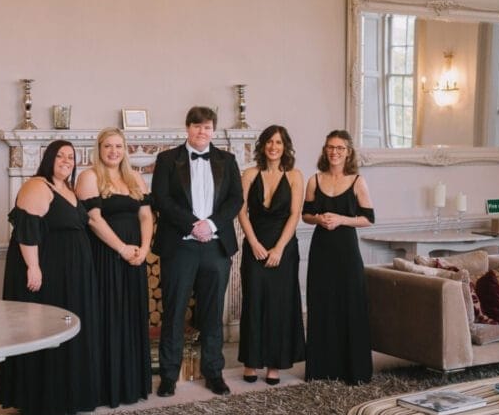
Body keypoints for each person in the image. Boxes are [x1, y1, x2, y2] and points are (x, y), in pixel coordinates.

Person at [0, 140, 101, 415]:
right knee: (45, 328)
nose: (66, 160)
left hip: (71, 273)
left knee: (66, 329)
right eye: (60, 156)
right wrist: (34, 267)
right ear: (48, 158)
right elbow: (27, 229)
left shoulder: (68, 188)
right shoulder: (37, 185)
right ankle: (42, 398)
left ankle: (68, 394)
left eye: (71, 157)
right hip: (48, 271)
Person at [152, 106, 244, 398]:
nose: (202, 132)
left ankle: (214, 372)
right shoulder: (167, 159)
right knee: (174, 310)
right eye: (196, 126)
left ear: (213, 130)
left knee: (213, 312)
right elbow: (161, 200)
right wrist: (193, 225)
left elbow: (235, 200)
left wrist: (211, 224)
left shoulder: (227, 160)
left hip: (215, 246)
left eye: (207, 127)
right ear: (187, 128)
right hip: (180, 245)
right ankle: (169, 375)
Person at [75, 127, 153, 407]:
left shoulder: (135, 178)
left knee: (131, 316)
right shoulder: (89, 176)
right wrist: (121, 248)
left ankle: (130, 385)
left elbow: (146, 216)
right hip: (105, 256)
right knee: (108, 317)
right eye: (108, 146)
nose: (113, 151)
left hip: (135, 257)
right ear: (99, 148)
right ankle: (106, 389)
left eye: (119, 146)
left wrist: (143, 249)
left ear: (125, 149)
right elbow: (94, 220)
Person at [301, 130, 374, 384]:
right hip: (321, 250)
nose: (334, 152)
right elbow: (305, 214)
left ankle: (352, 369)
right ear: (325, 150)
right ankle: (321, 368)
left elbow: (369, 219)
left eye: (340, 148)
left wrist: (342, 219)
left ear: (348, 152)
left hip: (346, 251)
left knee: (349, 304)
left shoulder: (357, 181)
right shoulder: (314, 180)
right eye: (330, 147)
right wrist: (319, 218)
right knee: (321, 304)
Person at [237, 125, 306, 385]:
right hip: (254, 245)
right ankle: (251, 362)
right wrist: (253, 243)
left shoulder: (295, 176)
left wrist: (279, 249)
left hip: (284, 247)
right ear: (262, 145)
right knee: (253, 302)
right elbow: (241, 212)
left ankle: (275, 365)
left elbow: (294, 214)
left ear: (285, 146)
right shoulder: (250, 174)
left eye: (278, 142)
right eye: (269, 142)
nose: (273, 147)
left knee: (279, 305)